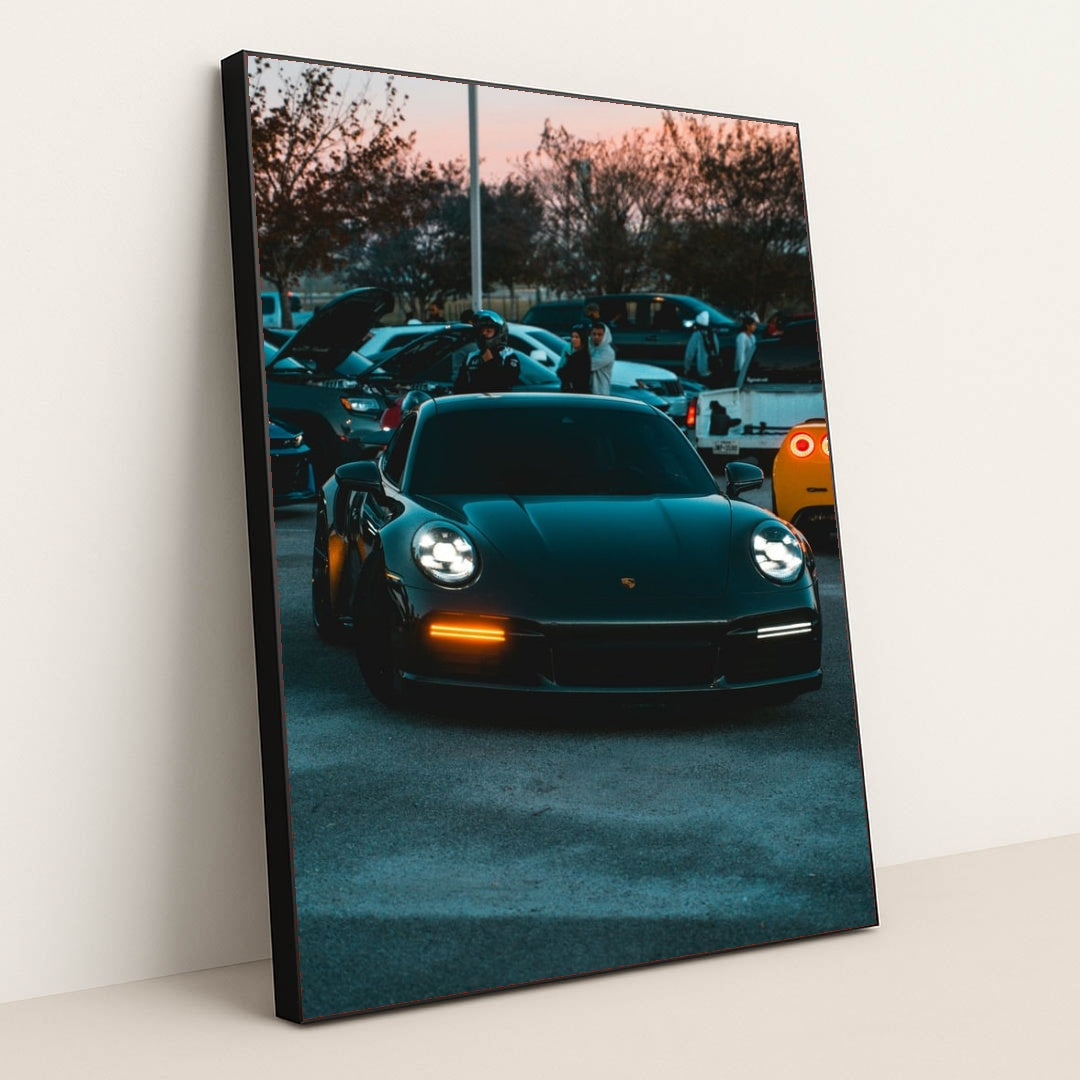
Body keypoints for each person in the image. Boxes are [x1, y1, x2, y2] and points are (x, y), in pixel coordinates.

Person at [452, 310, 521, 393]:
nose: (484, 334)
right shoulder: (471, 357)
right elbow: (459, 388)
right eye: (482, 331)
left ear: (498, 333)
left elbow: (504, 384)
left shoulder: (508, 356)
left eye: (488, 331)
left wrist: (490, 362)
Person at [683, 310, 718, 382]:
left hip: (702, 370)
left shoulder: (696, 335)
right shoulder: (713, 334)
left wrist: (687, 368)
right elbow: (717, 350)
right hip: (713, 369)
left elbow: (689, 353)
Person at [559, 322, 593, 393]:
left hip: (577, 393)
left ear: (582, 339)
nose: (573, 339)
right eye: (572, 337)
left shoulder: (580, 357)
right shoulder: (570, 350)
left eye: (577, 337)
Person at [588, 320, 615, 395]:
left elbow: (588, 365)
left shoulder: (607, 352)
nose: (596, 337)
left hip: (600, 392)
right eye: (594, 334)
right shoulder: (590, 347)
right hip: (589, 391)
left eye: (600, 335)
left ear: (605, 336)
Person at [734, 312, 760, 382]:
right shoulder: (741, 337)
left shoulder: (752, 337)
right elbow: (740, 354)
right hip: (741, 369)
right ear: (747, 326)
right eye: (753, 325)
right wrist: (742, 370)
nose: (755, 327)